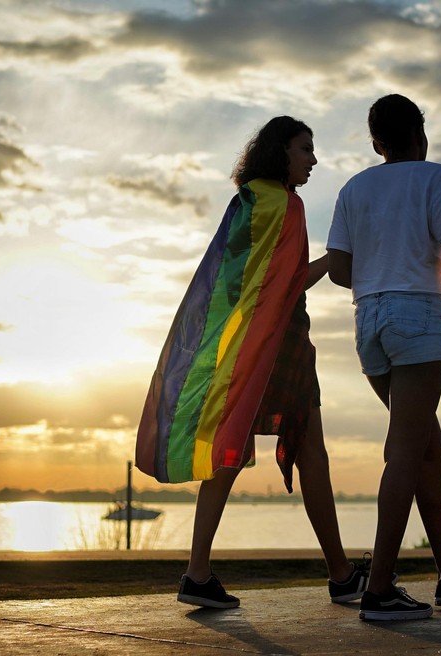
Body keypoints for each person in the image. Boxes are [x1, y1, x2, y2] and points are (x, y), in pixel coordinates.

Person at [135, 117, 364, 609]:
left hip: (241, 346)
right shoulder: (285, 203)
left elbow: (235, 284)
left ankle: (197, 573)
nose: (313, 160)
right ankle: (342, 575)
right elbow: (285, 285)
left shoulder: (245, 201)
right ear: (281, 150)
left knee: (228, 454)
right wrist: (334, 259)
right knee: (311, 454)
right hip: (281, 344)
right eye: (305, 149)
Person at [327, 94, 441, 621]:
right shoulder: (436, 177)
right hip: (418, 318)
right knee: (405, 452)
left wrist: (378, 268)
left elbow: (340, 270)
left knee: (423, 448)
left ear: (376, 143)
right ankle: (381, 589)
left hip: (369, 321)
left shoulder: (353, 188)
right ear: (421, 132)